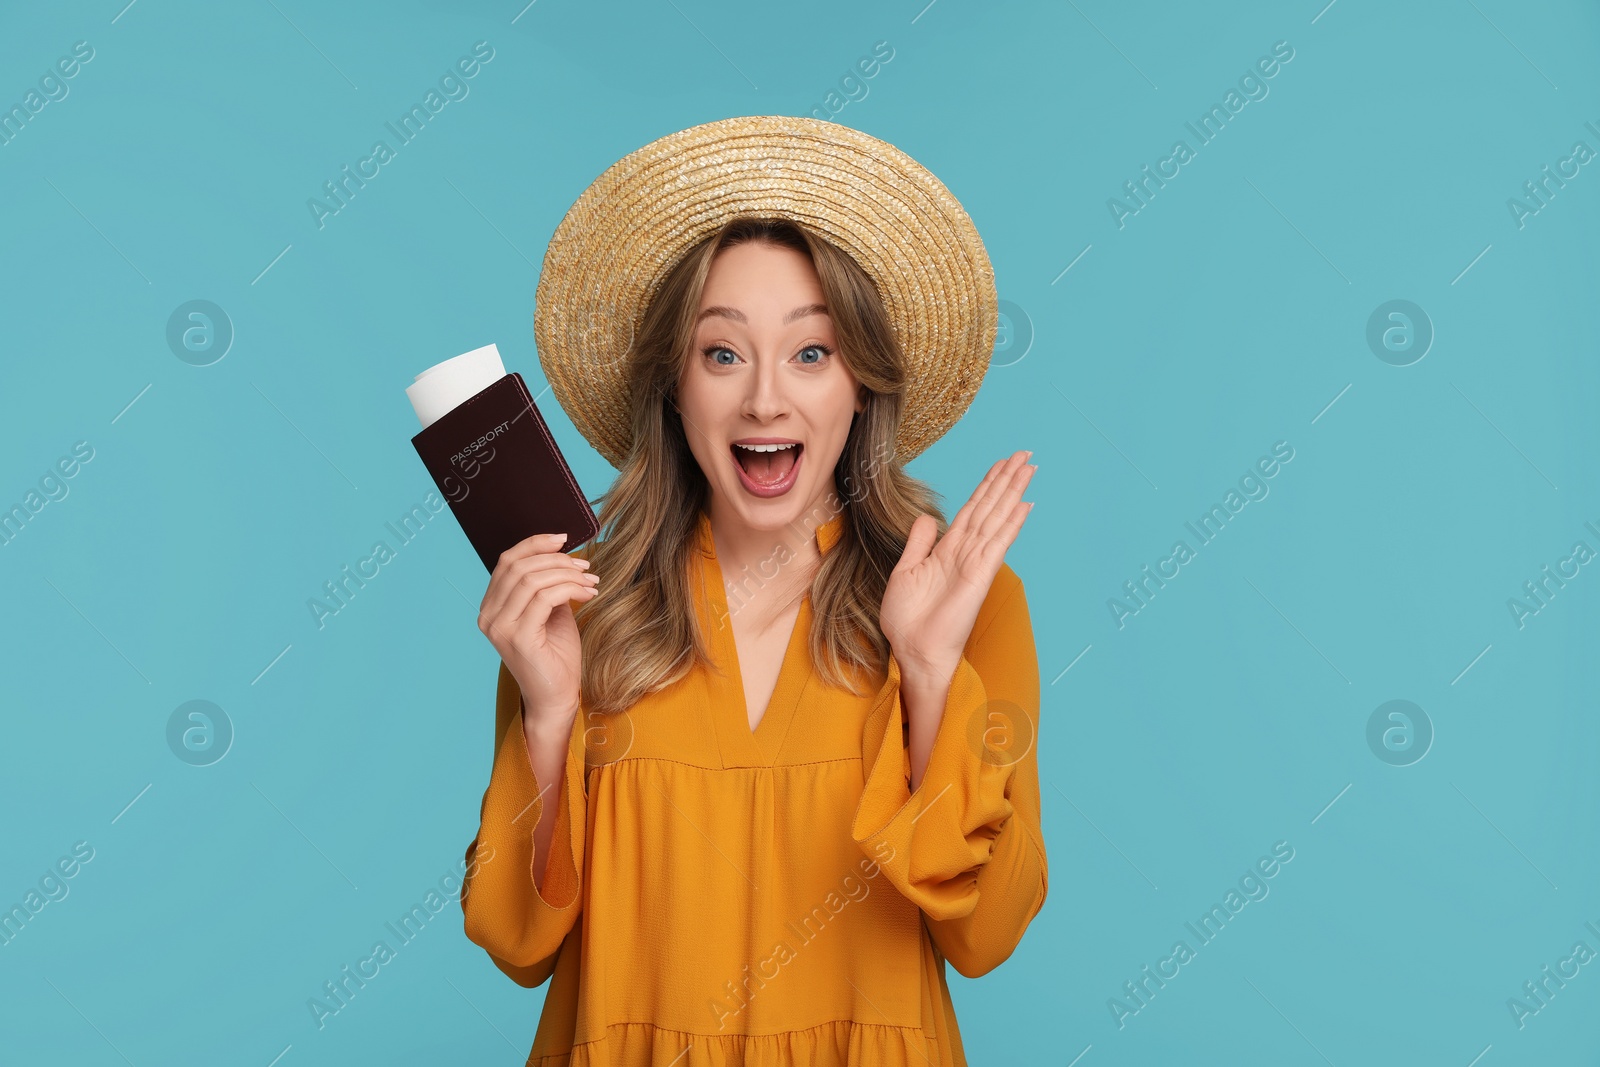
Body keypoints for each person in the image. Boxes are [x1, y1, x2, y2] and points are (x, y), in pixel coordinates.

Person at [460, 115, 1046, 1066]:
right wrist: (550, 713)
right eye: (722, 352)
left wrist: (931, 675)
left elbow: (988, 938)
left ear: (861, 387)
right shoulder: (579, 609)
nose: (765, 399)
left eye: (812, 352)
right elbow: (518, 943)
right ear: (675, 389)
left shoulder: (962, 601)